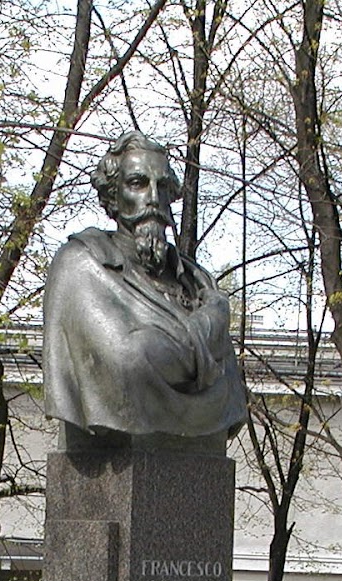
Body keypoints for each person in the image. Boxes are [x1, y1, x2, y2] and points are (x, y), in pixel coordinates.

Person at [42, 131, 247, 447]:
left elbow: (222, 381)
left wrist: (167, 347)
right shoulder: (83, 263)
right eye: (138, 183)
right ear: (113, 195)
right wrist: (210, 326)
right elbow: (129, 361)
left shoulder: (196, 281)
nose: (153, 197)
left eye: (162, 186)